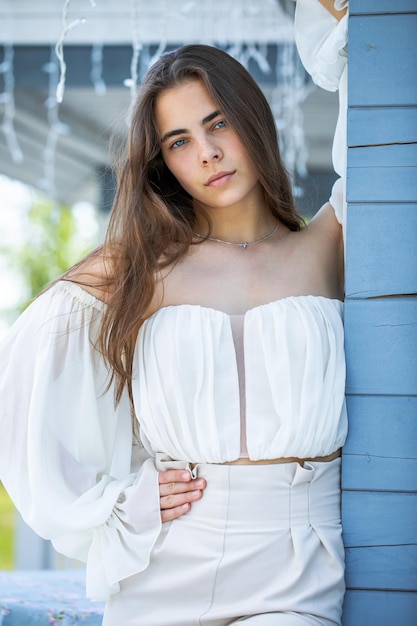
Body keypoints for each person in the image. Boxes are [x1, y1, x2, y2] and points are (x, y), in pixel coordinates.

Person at [0, 2, 349, 624]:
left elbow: (374, 127)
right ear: (163, 162)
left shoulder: (332, 243)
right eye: (180, 142)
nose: (208, 153)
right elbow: (27, 357)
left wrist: (346, 24)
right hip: (166, 559)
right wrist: (114, 502)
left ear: (253, 121)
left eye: (219, 124)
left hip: (296, 562)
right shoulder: (144, 266)